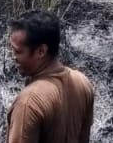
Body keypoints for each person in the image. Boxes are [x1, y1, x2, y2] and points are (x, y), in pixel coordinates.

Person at [7, 11, 95, 143]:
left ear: (41, 51)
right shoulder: (83, 83)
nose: (13, 57)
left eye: (18, 51)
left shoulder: (28, 103)